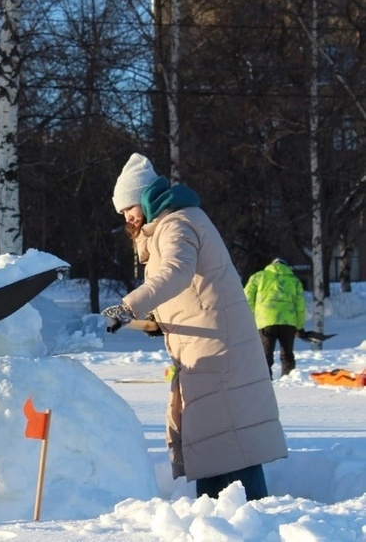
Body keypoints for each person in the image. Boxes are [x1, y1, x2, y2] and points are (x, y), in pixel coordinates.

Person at [101, 153, 287, 501]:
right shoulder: (176, 223)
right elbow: (190, 292)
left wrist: (127, 307)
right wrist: (157, 322)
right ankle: (224, 521)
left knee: (225, 442)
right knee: (219, 442)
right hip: (209, 347)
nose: (126, 218)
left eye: (128, 208)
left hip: (218, 351)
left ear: (142, 198)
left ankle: (251, 521)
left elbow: (176, 273)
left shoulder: (176, 224)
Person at [244, 258, 306, 378]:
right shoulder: (294, 280)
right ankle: (289, 378)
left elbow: (247, 296)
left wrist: (251, 315)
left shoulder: (259, 277)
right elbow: (300, 305)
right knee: (287, 354)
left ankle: (265, 380)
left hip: (266, 320)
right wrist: (299, 326)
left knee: (266, 354)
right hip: (288, 322)